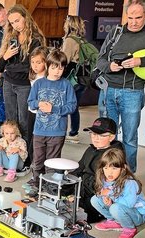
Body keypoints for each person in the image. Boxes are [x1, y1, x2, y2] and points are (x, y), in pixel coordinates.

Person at [96, 0, 145, 173]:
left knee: (130, 138)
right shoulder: (116, 31)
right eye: (130, 17)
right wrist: (109, 66)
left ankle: (128, 176)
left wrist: (141, 61)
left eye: (138, 17)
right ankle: (108, 173)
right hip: (108, 90)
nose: (133, 22)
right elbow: (100, 59)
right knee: (107, 135)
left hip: (132, 92)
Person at [0, 4, 46, 170]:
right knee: (11, 121)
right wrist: (5, 57)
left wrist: (9, 66)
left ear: (26, 17)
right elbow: (0, 67)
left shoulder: (36, 39)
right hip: (9, 84)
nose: (16, 25)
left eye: (17, 20)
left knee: (25, 122)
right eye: (12, 22)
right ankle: (11, 156)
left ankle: (25, 159)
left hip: (25, 85)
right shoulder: (11, 37)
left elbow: (30, 67)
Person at [26, 49, 76, 192]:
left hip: (57, 131)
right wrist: (38, 104)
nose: (57, 71)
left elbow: (72, 106)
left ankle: (49, 187)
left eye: (61, 68)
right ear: (47, 66)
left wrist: (54, 109)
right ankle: (36, 183)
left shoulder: (66, 85)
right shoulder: (38, 83)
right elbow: (30, 101)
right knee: (38, 160)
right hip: (39, 130)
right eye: (54, 67)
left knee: (52, 161)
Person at [70, 117, 125, 223]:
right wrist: (66, 182)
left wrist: (79, 185)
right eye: (93, 134)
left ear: (111, 137)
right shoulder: (91, 149)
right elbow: (79, 169)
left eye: (101, 135)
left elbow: (106, 184)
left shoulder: (114, 155)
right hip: (84, 188)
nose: (96, 138)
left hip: (99, 194)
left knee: (78, 216)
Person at [91, 148, 145, 238]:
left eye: (114, 168)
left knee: (115, 208)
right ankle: (114, 221)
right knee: (95, 199)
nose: (109, 172)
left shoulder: (130, 183)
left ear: (123, 168)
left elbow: (129, 204)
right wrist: (106, 198)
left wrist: (110, 196)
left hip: (137, 215)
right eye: (106, 168)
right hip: (119, 207)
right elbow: (107, 194)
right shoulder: (105, 179)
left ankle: (130, 228)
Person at [61, 15, 89, 144]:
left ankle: (64, 131)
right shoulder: (82, 40)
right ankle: (74, 132)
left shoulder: (70, 40)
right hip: (82, 78)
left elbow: (64, 60)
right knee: (74, 106)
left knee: (65, 106)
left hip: (72, 79)